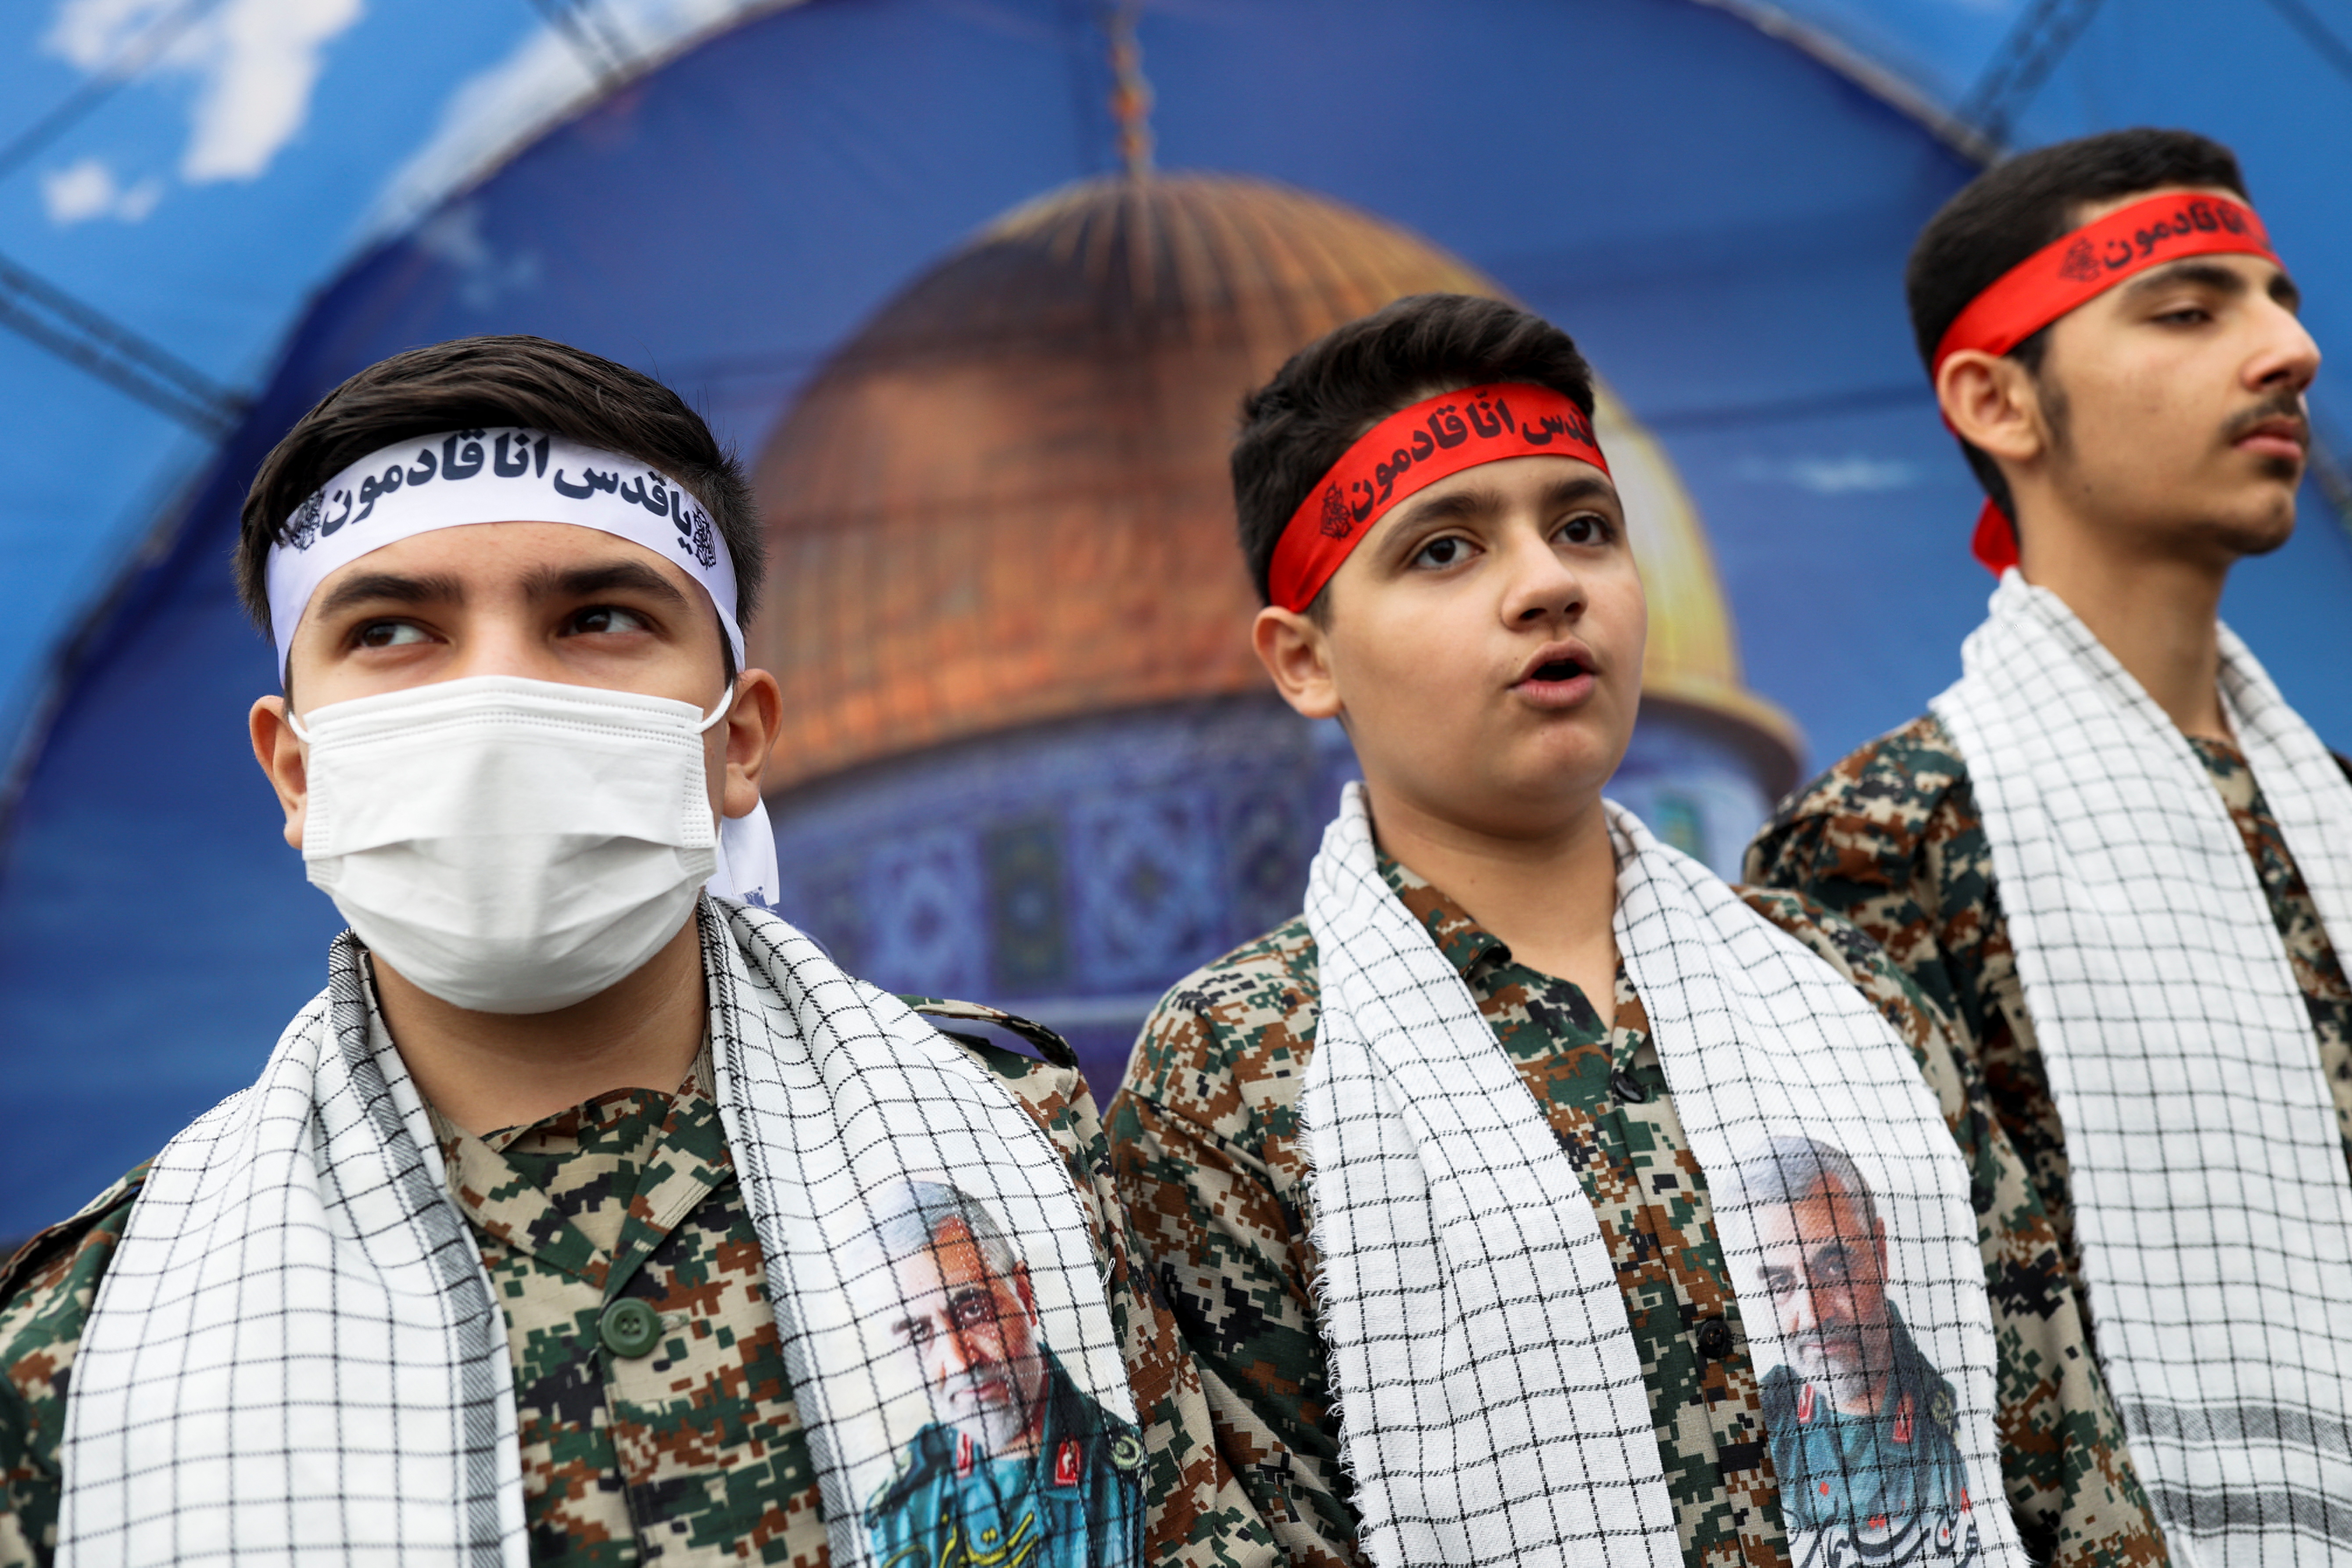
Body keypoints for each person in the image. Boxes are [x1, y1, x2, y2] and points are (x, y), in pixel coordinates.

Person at [0, 337, 1273, 1568]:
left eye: (598, 616)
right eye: (390, 630)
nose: (496, 705)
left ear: (737, 741)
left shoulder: (1024, 1152)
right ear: (296, 769)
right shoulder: (73, 1340)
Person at [1106, 292, 2163, 1568]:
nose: (1548, 584)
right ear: (1303, 660)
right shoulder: (1236, 1070)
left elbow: (2067, 1479)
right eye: (1442, 550)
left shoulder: (1850, 991)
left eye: (1583, 527)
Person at [1747, 129, 2352, 1560]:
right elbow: (1868, 1354)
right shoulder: (1879, 848)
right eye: (2189, 310)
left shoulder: (2332, 809)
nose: (2289, 351)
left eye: (2279, 300)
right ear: (1997, 399)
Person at [862, 1181, 1144, 1568]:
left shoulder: (1126, 1485)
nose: (959, 1363)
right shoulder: (904, 1509)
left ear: (1025, 1296)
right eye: (918, 1334)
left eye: (973, 1311)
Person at [1743, 1138, 1975, 1568]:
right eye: (1781, 1284)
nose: (1813, 1315)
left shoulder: (1960, 1422)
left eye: (1836, 1268)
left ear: (1880, 1255)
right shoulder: (1754, 1417)